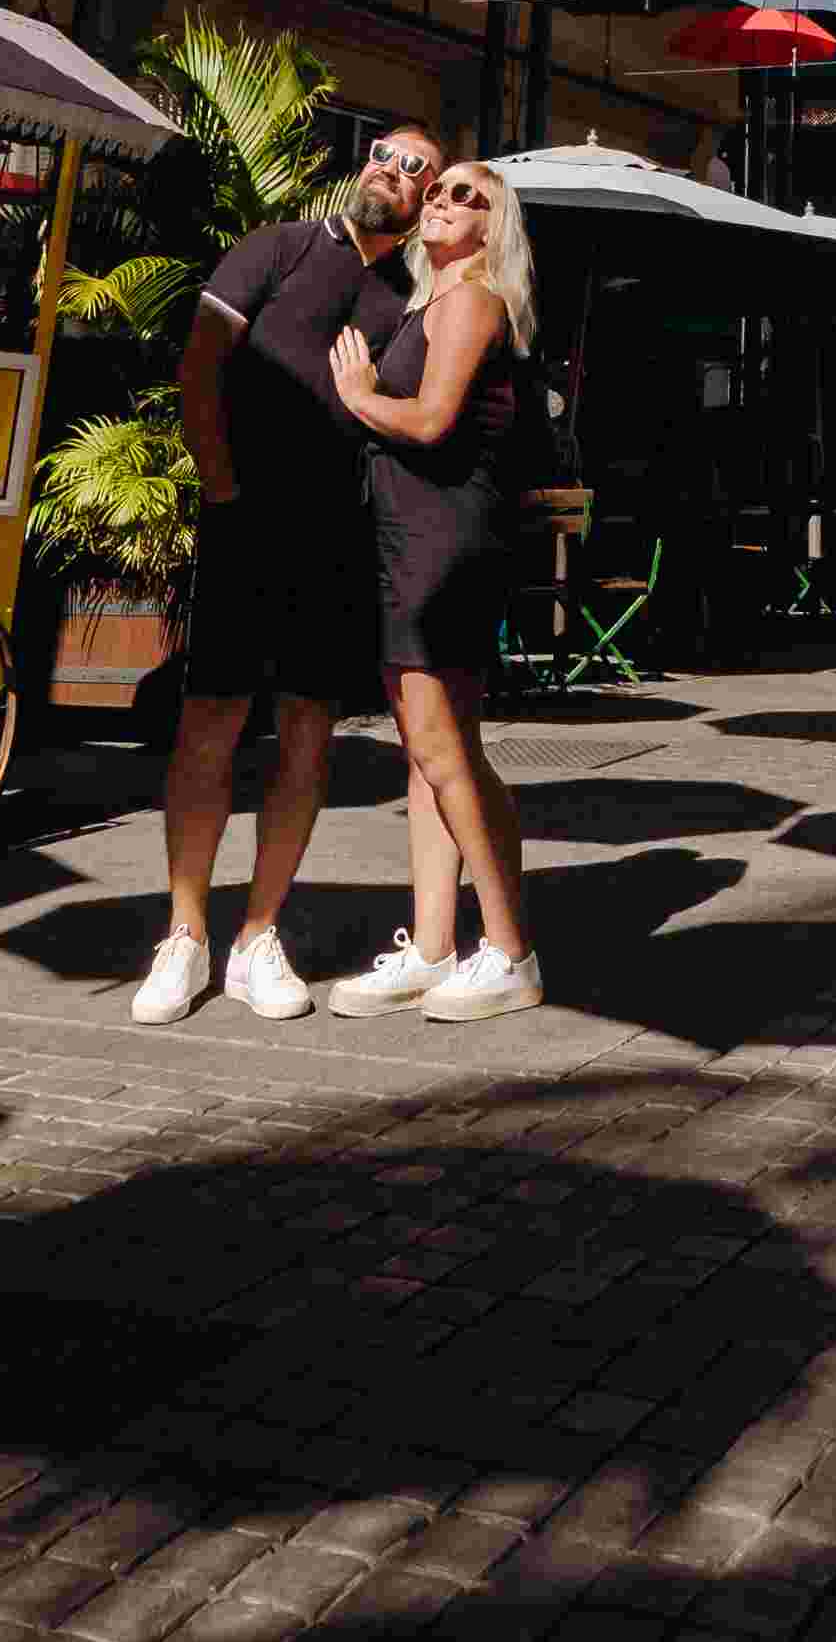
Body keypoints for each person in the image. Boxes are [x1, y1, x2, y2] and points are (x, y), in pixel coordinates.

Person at [136, 124, 437, 1025]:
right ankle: (183, 935)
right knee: (211, 722)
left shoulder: (408, 297)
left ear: (425, 199)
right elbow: (199, 370)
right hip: (242, 523)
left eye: (414, 165)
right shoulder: (278, 246)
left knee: (308, 732)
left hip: (336, 537)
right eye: (382, 152)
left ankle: (257, 935)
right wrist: (223, 487)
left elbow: (418, 410)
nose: (389, 168)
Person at [315, 156, 542, 1022]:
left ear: (492, 227)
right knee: (426, 754)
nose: (444, 201)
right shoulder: (433, 299)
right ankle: (435, 945)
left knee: (446, 753)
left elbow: (430, 418)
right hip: (419, 532)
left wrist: (359, 392)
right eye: (441, 191)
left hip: (441, 539)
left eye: (467, 198)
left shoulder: (471, 298)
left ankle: (510, 951)